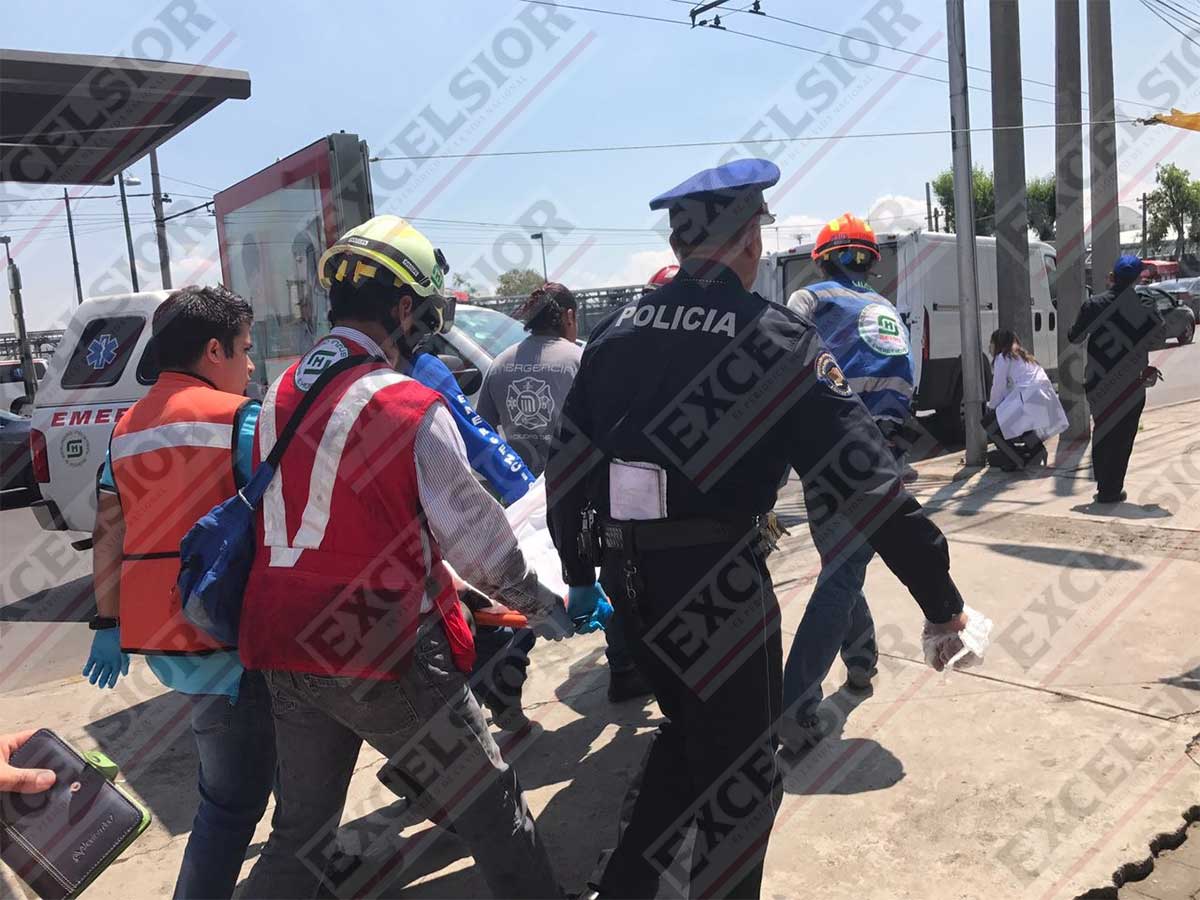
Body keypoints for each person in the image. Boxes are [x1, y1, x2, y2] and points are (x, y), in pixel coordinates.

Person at [547, 159, 973, 899]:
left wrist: (580, 573)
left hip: (631, 584)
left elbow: (567, 470)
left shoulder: (614, 335)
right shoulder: (773, 339)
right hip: (717, 588)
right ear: (748, 241)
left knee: (686, 739)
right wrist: (941, 600)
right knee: (743, 783)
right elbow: (869, 484)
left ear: (683, 247)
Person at [237, 215, 576, 899]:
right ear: (402, 308)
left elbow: (335, 520)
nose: (424, 330)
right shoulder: (408, 403)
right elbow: (481, 544)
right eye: (424, 313)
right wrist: (543, 605)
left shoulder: (279, 394)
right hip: (381, 650)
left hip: (280, 640)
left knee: (298, 837)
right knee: (492, 807)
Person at [84, 285, 274, 899]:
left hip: (168, 639)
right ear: (213, 349)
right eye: (244, 350)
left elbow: (108, 533)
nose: (250, 366)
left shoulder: (124, 429)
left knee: (246, 779)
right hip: (236, 638)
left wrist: (106, 624)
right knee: (229, 804)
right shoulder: (240, 419)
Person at [479, 282, 653, 703]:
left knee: (531, 586)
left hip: (523, 497)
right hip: (581, 494)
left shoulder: (499, 365)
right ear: (570, 317)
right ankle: (624, 668)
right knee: (608, 574)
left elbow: (483, 431)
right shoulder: (581, 359)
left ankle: (509, 666)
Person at [781, 212, 915, 746]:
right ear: (868, 262)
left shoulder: (811, 301)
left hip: (828, 461)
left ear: (821, 260)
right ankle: (858, 666)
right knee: (845, 567)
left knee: (839, 573)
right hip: (883, 460)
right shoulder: (887, 310)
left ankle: (797, 703)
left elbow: (779, 358)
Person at [400, 345, 539, 729]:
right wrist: (534, 502)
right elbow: (481, 442)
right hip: (430, 541)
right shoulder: (419, 371)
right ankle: (497, 694)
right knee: (510, 604)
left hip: (356, 558)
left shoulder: (312, 381)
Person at [1068, 255, 1164, 504]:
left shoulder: (1094, 304)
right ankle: (1113, 488)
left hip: (1099, 382)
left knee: (1103, 431)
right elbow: (1158, 338)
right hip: (1132, 382)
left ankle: (1104, 486)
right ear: (1136, 279)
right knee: (1124, 437)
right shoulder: (1143, 304)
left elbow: (1074, 337)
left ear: (1112, 277)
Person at [983, 328, 1066, 471]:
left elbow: (998, 387)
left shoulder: (1003, 358)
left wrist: (992, 407)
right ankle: (1036, 452)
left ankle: (1014, 459)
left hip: (1028, 396)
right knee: (1019, 421)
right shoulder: (1023, 356)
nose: (989, 346)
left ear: (998, 344)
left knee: (990, 423)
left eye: (991, 342)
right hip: (1043, 397)